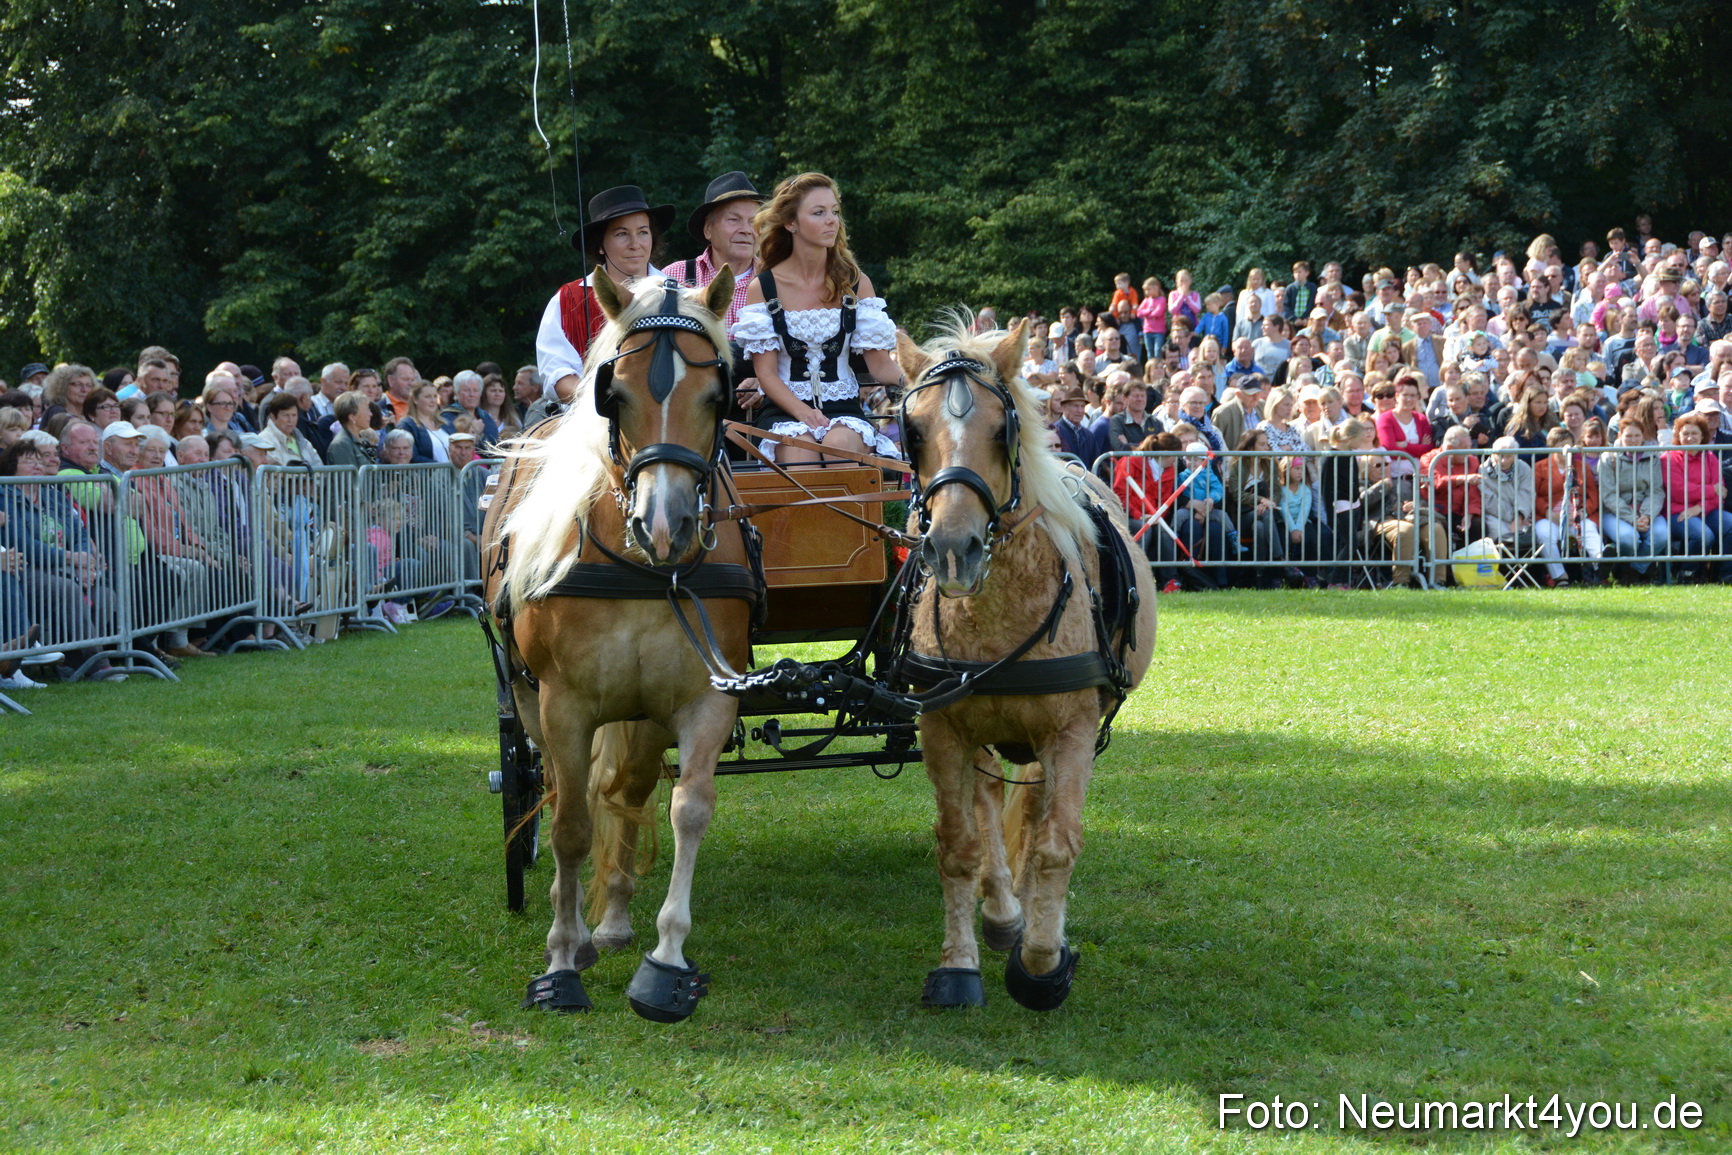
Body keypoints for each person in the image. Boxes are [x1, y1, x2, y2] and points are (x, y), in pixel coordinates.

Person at [730, 172, 903, 464]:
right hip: (783, 412)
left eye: (834, 212)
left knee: (839, 444)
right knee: (801, 450)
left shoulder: (856, 283)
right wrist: (803, 413)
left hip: (845, 410)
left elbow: (880, 364)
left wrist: (924, 376)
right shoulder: (764, 288)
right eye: (819, 212)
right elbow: (767, 374)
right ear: (791, 223)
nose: (832, 220)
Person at [536, 184, 673, 406]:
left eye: (643, 232)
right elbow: (557, 374)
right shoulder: (569, 299)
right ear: (600, 245)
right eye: (622, 234)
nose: (635, 244)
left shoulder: (676, 295)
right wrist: (606, 402)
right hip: (587, 419)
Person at [1480, 436, 1569, 585]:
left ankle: (1550, 578)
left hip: (1522, 516)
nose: (1503, 461)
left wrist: (1519, 517)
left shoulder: (1523, 468)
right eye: (1499, 456)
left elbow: (1526, 494)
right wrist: (1512, 519)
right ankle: (1509, 580)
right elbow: (1488, 500)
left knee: (1536, 535)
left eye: (1508, 456)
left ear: (1515, 455)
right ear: (1493, 453)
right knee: (1505, 536)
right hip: (1495, 516)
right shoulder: (1483, 470)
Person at [1664, 413, 1732, 581]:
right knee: (1703, 535)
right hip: (1678, 511)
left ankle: (1723, 574)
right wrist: (1712, 490)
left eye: (1694, 433)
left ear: (1703, 436)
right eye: (1685, 433)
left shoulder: (1710, 457)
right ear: (1678, 435)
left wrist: (1700, 507)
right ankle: (1688, 573)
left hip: (1706, 509)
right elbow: (1679, 491)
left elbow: (1721, 493)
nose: (1689, 437)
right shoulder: (1669, 458)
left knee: (1730, 526)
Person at [1598, 421, 1670, 581]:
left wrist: (1647, 515)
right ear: (1620, 436)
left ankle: (1630, 570)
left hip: (1647, 511)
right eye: (1628, 435)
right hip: (1616, 512)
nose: (1633, 439)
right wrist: (1632, 518)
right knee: (1628, 538)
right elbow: (1608, 495)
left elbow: (1656, 491)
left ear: (1643, 436)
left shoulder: (1653, 456)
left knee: (1661, 536)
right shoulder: (1608, 458)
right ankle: (1639, 570)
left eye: (1637, 435)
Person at [439, 370, 501, 448]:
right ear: (456, 393)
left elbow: (493, 449)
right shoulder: (446, 418)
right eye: (466, 390)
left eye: (475, 390)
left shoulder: (487, 418)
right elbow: (453, 448)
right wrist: (476, 431)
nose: (472, 395)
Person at [1049, 384, 1106, 466]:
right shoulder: (1055, 432)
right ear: (1063, 407)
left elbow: (1095, 464)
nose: (1080, 411)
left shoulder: (1088, 435)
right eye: (1075, 406)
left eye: (1082, 406)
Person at [258, 391, 319, 466]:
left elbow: (320, 469)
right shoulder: (264, 440)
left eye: (294, 415)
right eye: (286, 415)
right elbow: (277, 473)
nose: (291, 420)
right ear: (273, 417)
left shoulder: (304, 442)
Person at [396, 382, 450, 464]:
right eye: (428, 397)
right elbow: (412, 457)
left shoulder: (445, 423)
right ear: (415, 399)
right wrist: (441, 468)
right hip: (428, 475)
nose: (433, 401)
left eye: (435, 396)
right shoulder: (407, 425)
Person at [324, 391, 377, 466]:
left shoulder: (363, 440)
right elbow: (347, 476)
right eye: (367, 409)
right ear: (352, 417)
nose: (371, 414)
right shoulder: (341, 445)